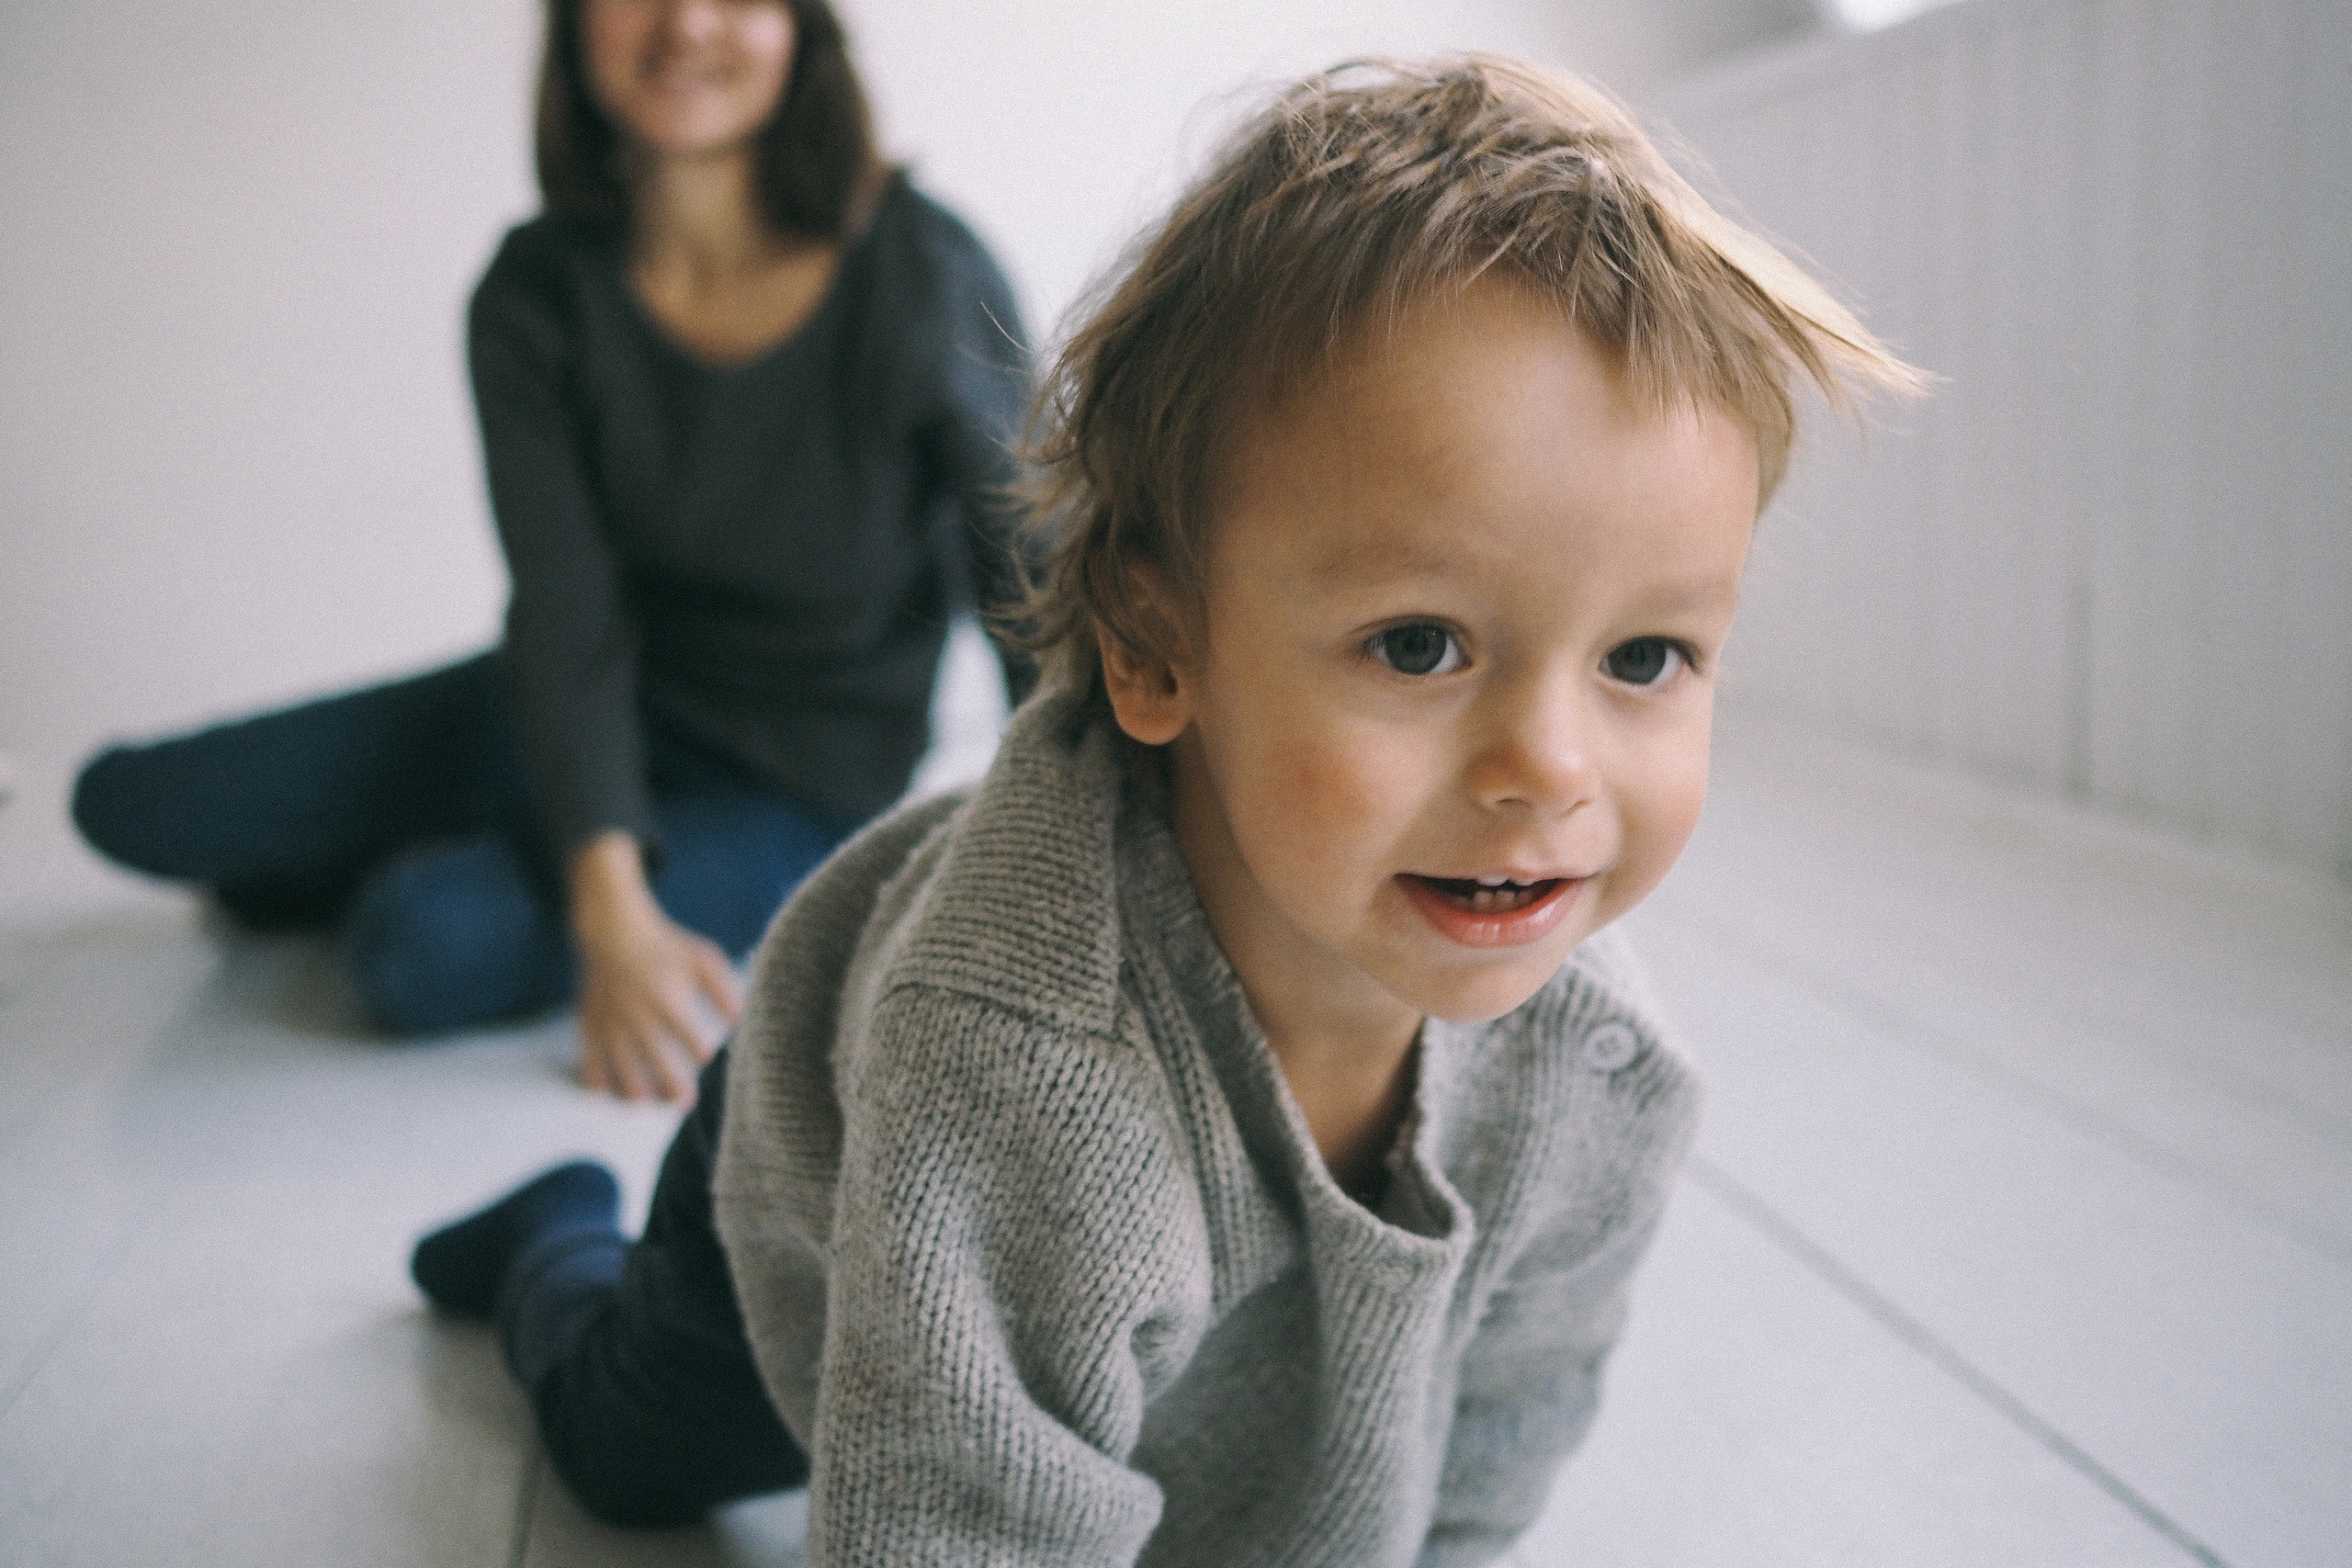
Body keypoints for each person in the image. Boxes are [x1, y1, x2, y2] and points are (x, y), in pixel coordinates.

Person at [410, 56, 1921, 1560]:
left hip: (1108, 1277)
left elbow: (1492, 1440)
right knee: (627, 1447)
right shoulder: (1019, 1066)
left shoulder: (1602, 1082)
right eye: (1418, 644)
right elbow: (954, 1527)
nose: (1551, 767)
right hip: (815, 1182)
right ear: (1151, 646)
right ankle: (556, 1237)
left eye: (1646, 656)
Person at [70, 0, 1034, 1100]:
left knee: (414, 949)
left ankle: (429, 853)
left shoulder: (922, 268)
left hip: (792, 783)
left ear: (804, 28)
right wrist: (611, 914)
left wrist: (1063, 874)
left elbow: (1032, 579)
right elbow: (566, 612)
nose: (686, 24)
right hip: (568, 707)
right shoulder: (536, 290)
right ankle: (495, 830)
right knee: (131, 805)